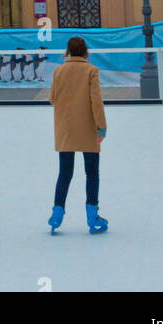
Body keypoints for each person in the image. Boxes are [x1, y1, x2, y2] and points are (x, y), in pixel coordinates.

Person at [48, 36, 108, 235]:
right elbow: (96, 101)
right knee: (92, 172)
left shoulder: (58, 71)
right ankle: (92, 215)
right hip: (87, 128)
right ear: (85, 52)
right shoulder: (91, 71)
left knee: (65, 172)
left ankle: (57, 213)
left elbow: (52, 98)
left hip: (65, 128)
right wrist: (101, 127)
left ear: (68, 52)